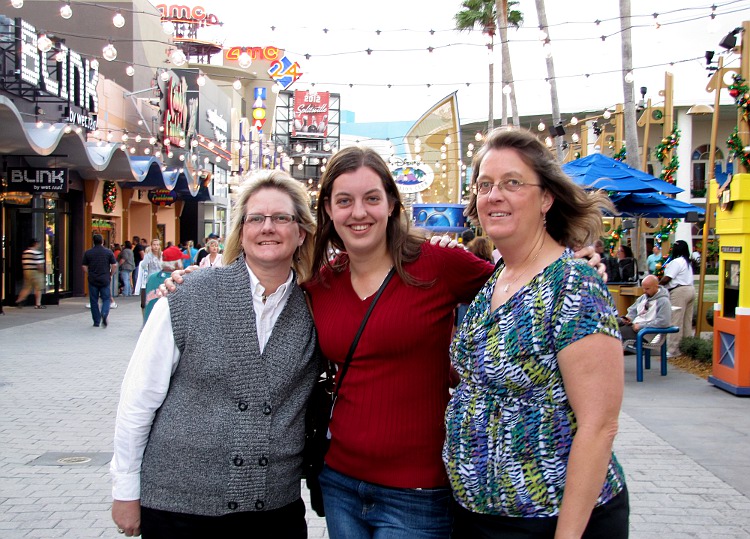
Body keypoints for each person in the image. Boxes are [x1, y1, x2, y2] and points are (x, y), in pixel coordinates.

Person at [110, 170, 318, 538]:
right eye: (256, 218)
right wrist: (125, 490)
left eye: (281, 218)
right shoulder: (188, 296)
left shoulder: (317, 309)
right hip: (179, 507)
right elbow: (138, 399)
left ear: (301, 232)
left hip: (274, 509)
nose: (267, 227)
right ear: (242, 230)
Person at [303, 145, 496, 539]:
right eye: (344, 201)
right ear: (328, 209)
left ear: (391, 203)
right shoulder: (320, 285)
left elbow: (520, 288)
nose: (359, 212)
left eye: (371, 198)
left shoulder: (438, 264)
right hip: (340, 482)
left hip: (418, 493)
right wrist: (183, 285)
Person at [445, 128, 628, 538]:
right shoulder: (496, 280)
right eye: (485, 185)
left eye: (512, 183)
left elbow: (600, 425)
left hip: (551, 521)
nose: (494, 195)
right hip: (479, 517)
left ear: (546, 198)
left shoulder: (573, 283)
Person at [659, 239, 695, 357]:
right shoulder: (687, 262)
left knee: (676, 320)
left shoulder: (676, 262)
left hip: (679, 291)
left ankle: (673, 349)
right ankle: (687, 347)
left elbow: (668, 278)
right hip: (690, 289)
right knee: (687, 321)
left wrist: (656, 284)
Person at [618, 274, 672, 343]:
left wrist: (641, 326)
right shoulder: (643, 297)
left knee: (615, 333)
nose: (644, 291)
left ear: (656, 287)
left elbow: (663, 322)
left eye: (647, 289)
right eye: (643, 288)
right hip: (634, 326)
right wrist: (629, 318)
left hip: (644, 333)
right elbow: (633, 310)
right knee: (613, 323)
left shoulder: (663, 301)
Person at [142, 246, 189, 324]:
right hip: (166, 329)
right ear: (177, 264)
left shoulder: (152, 278)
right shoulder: (179, 280)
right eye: (182, 260)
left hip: (148, 327)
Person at [82, 234, 117, 328]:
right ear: (102, 241)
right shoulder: (108, 252)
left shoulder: (88, 252)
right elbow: (114, 265)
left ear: (93, 241)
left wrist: (89, 273)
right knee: (106, 298)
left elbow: (84, 266)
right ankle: (104, 313)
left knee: (93, 300)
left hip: (93, 279)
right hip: (105, 278)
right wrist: (111, 274)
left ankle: (96, 321)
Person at [15, 238, 46, 309]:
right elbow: (39, 265)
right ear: (35, 244)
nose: (39, 245)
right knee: (38, 288)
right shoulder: (37, 253)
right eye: (38, 243)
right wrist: (42, 271)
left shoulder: (25, 252)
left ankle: (19, 300)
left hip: (26, 271)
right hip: (36, 272)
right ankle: (38, 304)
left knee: (27, 287)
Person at [138, 239, 163, 319]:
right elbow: (143, 265)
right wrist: (148, 257)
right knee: (150, 298)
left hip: (160, 278)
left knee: (160, 299)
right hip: (151, 279)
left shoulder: (162, 255)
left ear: (159, 246)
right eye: (154, 245)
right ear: (151, 246)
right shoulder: (148, 255)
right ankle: (148, 318)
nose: (156, 246)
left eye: (157, 245)